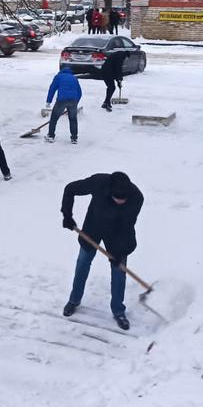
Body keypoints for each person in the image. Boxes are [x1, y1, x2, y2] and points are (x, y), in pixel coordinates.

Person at [61, 171, 144, 330]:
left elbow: (127, 228)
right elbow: (70, 189)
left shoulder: (136, 198)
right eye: (117, 197)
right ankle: (74, 299)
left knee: (119, 271)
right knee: (82, 263)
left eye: (123, 198)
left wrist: (119, 254)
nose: (121, 201)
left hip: (117, 234)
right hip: (94, 228)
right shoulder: (98, 182)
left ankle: (118, 310)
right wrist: (67, 215)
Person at [45, 66, 82, 144]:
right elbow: (79, 92)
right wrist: (76, 102)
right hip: (73, 101)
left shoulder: (58, 77)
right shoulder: (74, 78)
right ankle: (74, 138)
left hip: (62, 100)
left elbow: (52, 88)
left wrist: (49, 101)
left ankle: (51, 136)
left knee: (54, 118)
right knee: (73, 119)